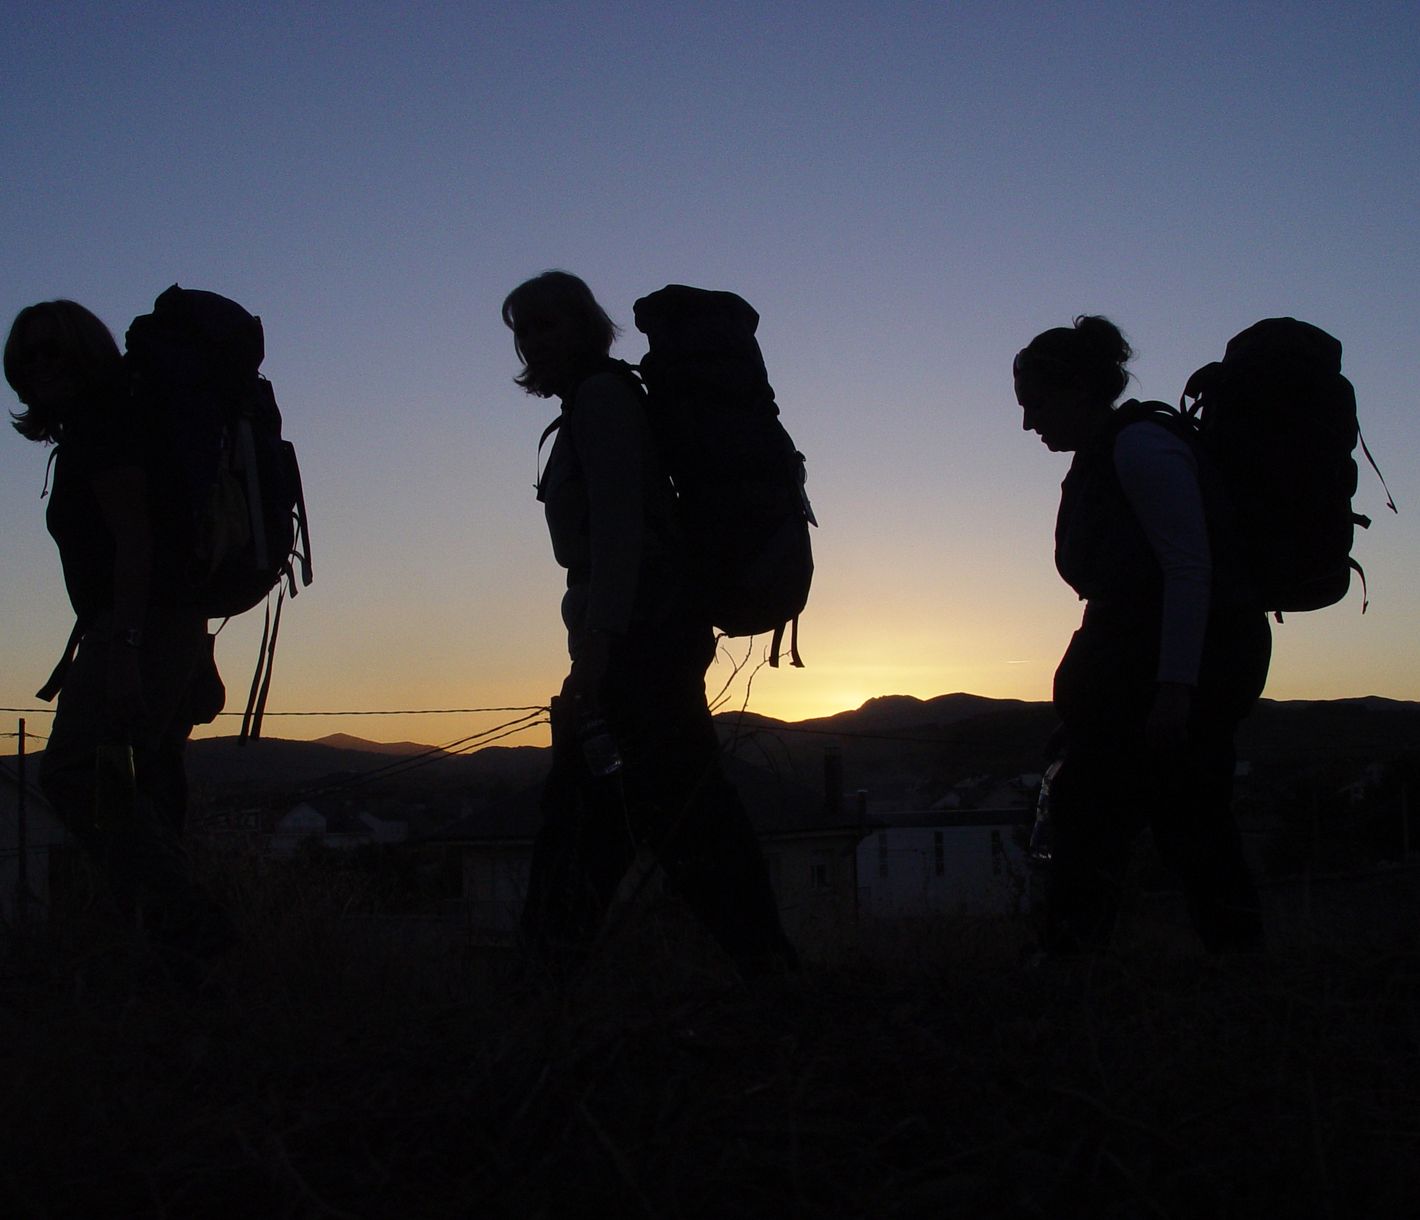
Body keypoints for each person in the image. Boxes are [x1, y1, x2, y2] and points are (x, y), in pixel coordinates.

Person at [501, 270, 796, 982]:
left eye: (549, 324)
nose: (533, 340)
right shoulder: (596, 401)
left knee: (614, 817)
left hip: (638, 644)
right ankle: (771, 973)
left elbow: (620, 534)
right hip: (651, 637)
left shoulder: (601, 400)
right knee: (665, 815)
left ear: (586, 326)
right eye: (523, 328)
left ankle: (544, 986)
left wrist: (597, 654)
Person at [1013, 315, 1270, 954]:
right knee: (1177, 828)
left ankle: (1079, 979)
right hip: (1138, 679)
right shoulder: (1111, 453)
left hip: (1169, 680)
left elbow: (1189, 568)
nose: (1028, 423)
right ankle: (1235, 972)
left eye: (1034, 404)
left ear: (1076, 390)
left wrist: (1175, 690)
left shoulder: (1139, 449)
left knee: (1154, 827)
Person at [5, 300, 232, 972]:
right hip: (162, 629)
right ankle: (166, 962)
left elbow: (136, 542)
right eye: (28, 355)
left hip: (138, 631)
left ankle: (194, 927)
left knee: (74, 774)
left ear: (86, 352)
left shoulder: (105, 424)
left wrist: (129, 652)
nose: (42, 364)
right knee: (134, 784)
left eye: (56, 349)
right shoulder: (108, 423)